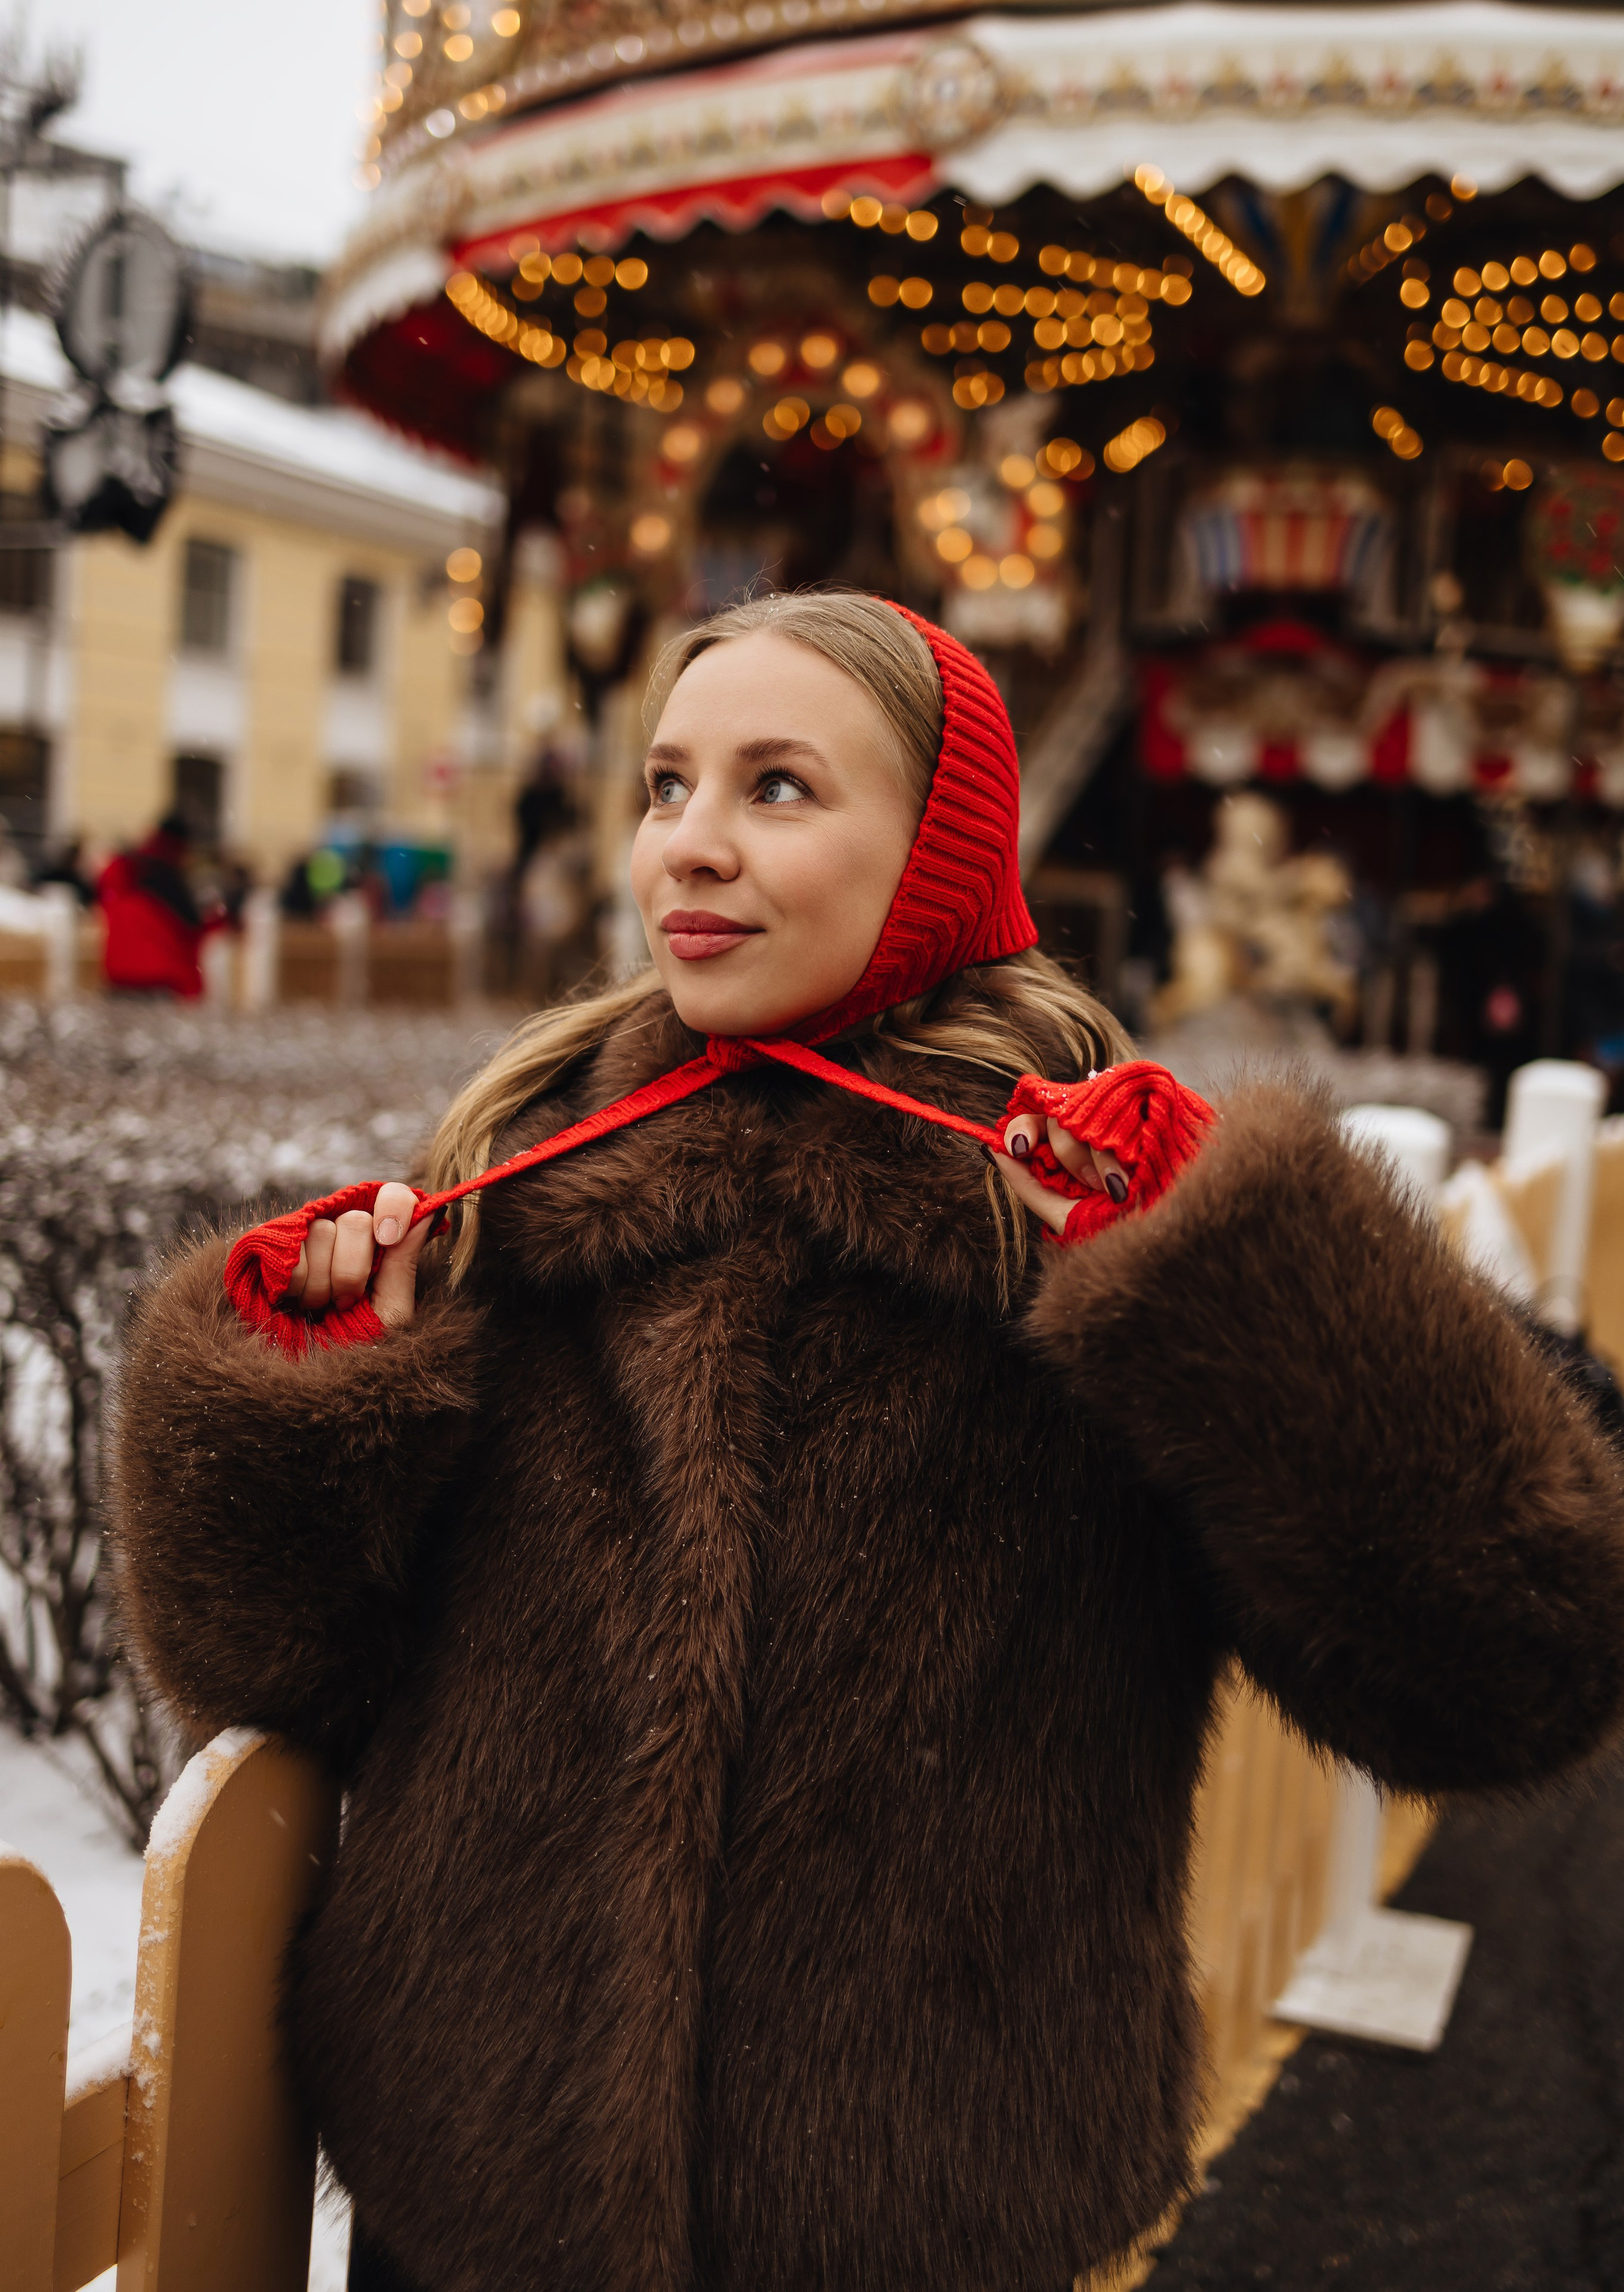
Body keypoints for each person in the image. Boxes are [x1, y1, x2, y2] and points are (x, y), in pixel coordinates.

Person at [110, 593, 1624, 2292]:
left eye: (777, 787)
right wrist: (311, 1399)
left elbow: (1512, 1666)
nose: (689, 843)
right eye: (667, 784)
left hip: (915, 2220)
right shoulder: (515, 1192)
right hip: (463, 2204)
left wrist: (1246, 1283)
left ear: (940, 856)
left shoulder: (1091, 1248)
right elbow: (271, 1668)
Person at [98, 813, 222, 998]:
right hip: (159, 978)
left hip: (120, 975)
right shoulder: (168, 877)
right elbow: (190, 927)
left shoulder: (124, 870)